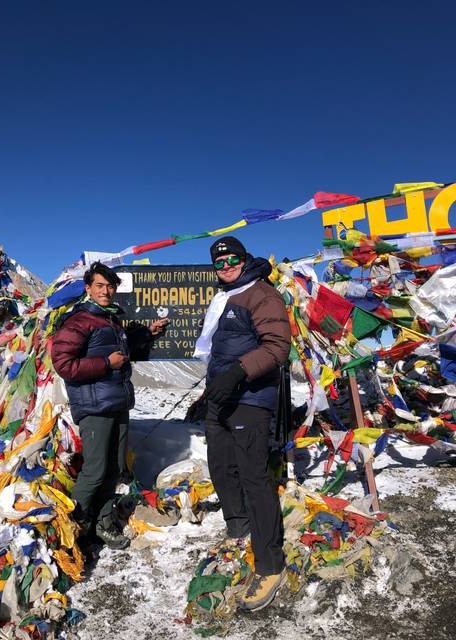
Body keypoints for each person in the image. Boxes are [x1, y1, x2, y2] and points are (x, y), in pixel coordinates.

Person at [194, 236, 291, 612]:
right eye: (219, 263)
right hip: (221, 399)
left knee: (253, 477)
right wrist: (213, 387)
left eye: (232, 259)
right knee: (220, 464)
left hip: (250, 399)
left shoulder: (260, 295)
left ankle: (269, 563)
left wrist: (237, 372)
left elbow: (276, 346)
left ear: (244, 258)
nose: (226, 266)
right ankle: (239, 527)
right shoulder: (225, 298)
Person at [52, 261, 168, 549]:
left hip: (117, 403)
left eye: (110, 286)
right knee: (95, 470)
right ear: (88, 288)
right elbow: (64, 363)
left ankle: (103, 524)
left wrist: (147, 333)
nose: (106, 291)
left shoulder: (109, 320)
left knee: (115, 469)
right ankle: (73, 530)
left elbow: (121, 346)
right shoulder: (78, 321)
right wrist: (105, 364)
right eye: (100, 286)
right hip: (94, 408)